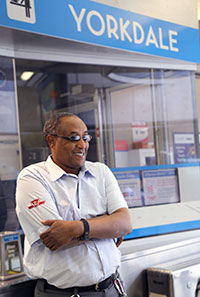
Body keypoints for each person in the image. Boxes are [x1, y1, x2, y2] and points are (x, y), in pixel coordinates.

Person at [15, 112, 132, 297]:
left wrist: (77, 227)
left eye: (85, 137)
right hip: (62, 293)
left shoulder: (101, 172)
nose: (82, 145)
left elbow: (125, 224)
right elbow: (56, 240)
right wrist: (106, 226)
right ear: (51, 141)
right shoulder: (33, 177)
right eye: (74, 138)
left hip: (112, 288)